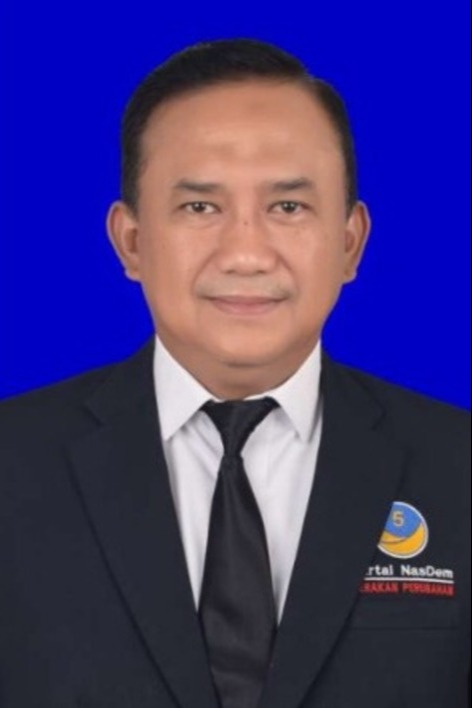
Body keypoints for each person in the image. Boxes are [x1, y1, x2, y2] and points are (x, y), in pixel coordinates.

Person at [0, 38, 469, 708]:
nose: (246, 254)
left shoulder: (458, 467)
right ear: (131, 241)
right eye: (200, 207)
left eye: (288, 207)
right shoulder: (12, 462)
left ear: (350, 242)